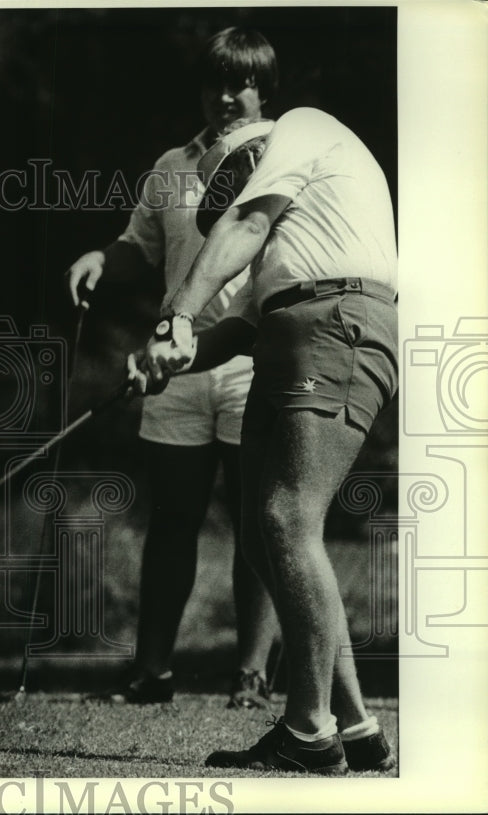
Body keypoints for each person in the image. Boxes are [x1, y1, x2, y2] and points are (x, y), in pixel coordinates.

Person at [131, 107, 397, 773]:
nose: (227, 202)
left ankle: (310, 732)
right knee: (259, 530)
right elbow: (236, 332)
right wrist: (165, 359)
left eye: (226, 187)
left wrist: (178, 315)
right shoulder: (291, 236)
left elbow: (245, 223)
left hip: (333, 321)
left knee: (287, 516)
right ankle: (356, 723)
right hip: (289, 329)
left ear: (251, 156)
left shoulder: (298, 130)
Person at [66, 27, 279, 708]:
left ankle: (251, 673)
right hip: (176, 363)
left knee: (259, 525)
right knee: (174, 518)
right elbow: (139, 246)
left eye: (239, 83)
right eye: (213, 82)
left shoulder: (282, 158)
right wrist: (103, 258)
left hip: (253, 359)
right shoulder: (171, 165)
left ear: (263, 88)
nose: (224, 96)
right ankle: (152, 669)